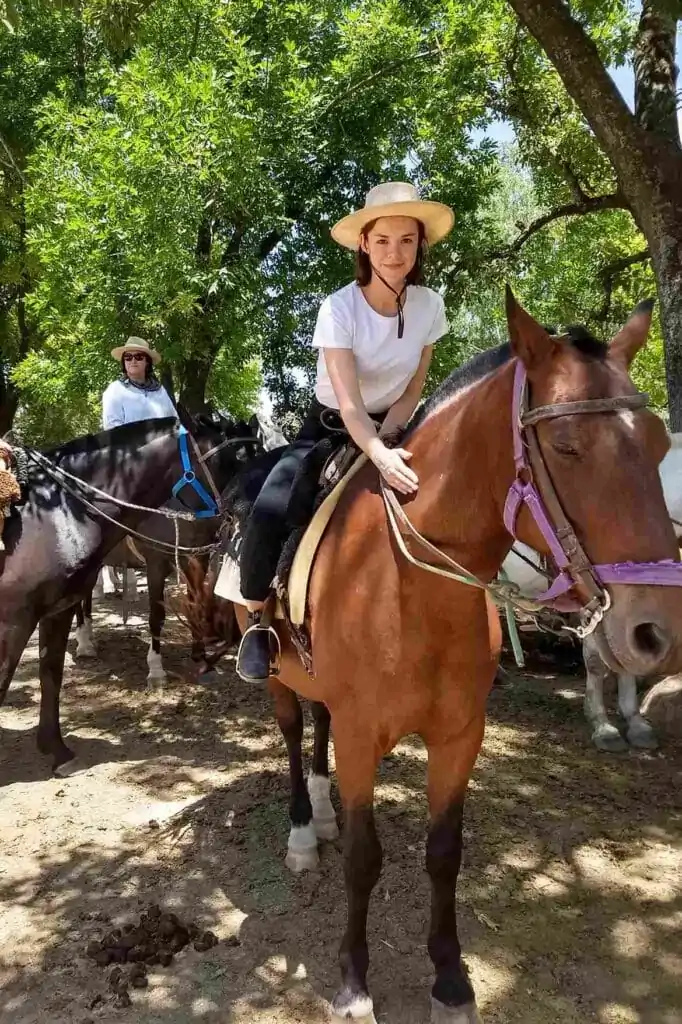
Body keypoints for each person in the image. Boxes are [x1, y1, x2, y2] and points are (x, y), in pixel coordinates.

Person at [237, 181, 455, 683]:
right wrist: (377, 454)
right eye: (382, 240)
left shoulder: (430, 306)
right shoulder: (339, 308)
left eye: (406, 240)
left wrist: (394, 440)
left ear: (420, 244)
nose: (394, 252)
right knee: (269, 507)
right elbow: (350, 400)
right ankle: (256, 621)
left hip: (397, 426)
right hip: (332, 427)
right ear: (364, 243)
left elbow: (412, 389)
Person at [102, 336, 176, 429]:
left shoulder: (160, 391)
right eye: (128, 357)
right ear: (124, 362)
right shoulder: (115, 391)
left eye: (139, 357)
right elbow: (113, 430)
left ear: (147, 362)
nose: (133, 361)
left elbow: (175, 423)